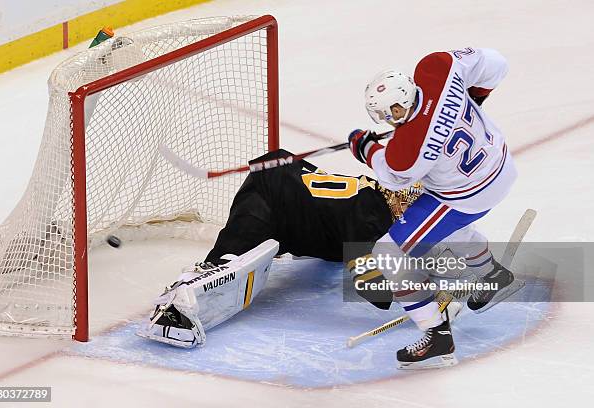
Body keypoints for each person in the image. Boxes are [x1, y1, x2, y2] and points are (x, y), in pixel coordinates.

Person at [136, 149, 460, 348]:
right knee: (227, 263)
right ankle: (174, 309)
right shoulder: (369, 216)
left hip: (289, 190)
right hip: (270, 195)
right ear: (401, 199)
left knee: (339, 247)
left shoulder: (376, 200)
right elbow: (370, 288)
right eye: (415, 202)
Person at [347, 47, 523, 369]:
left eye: (392, 114)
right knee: (443, 227)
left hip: (468, 194)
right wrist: (474, 97)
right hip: (501, 164)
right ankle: (491, 274)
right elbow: (497, 64)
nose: (392, 119)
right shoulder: (437, 68)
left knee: (387, 252)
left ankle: (436, 336)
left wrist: (365, 147)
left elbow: (393, 177)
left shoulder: (406, 148)